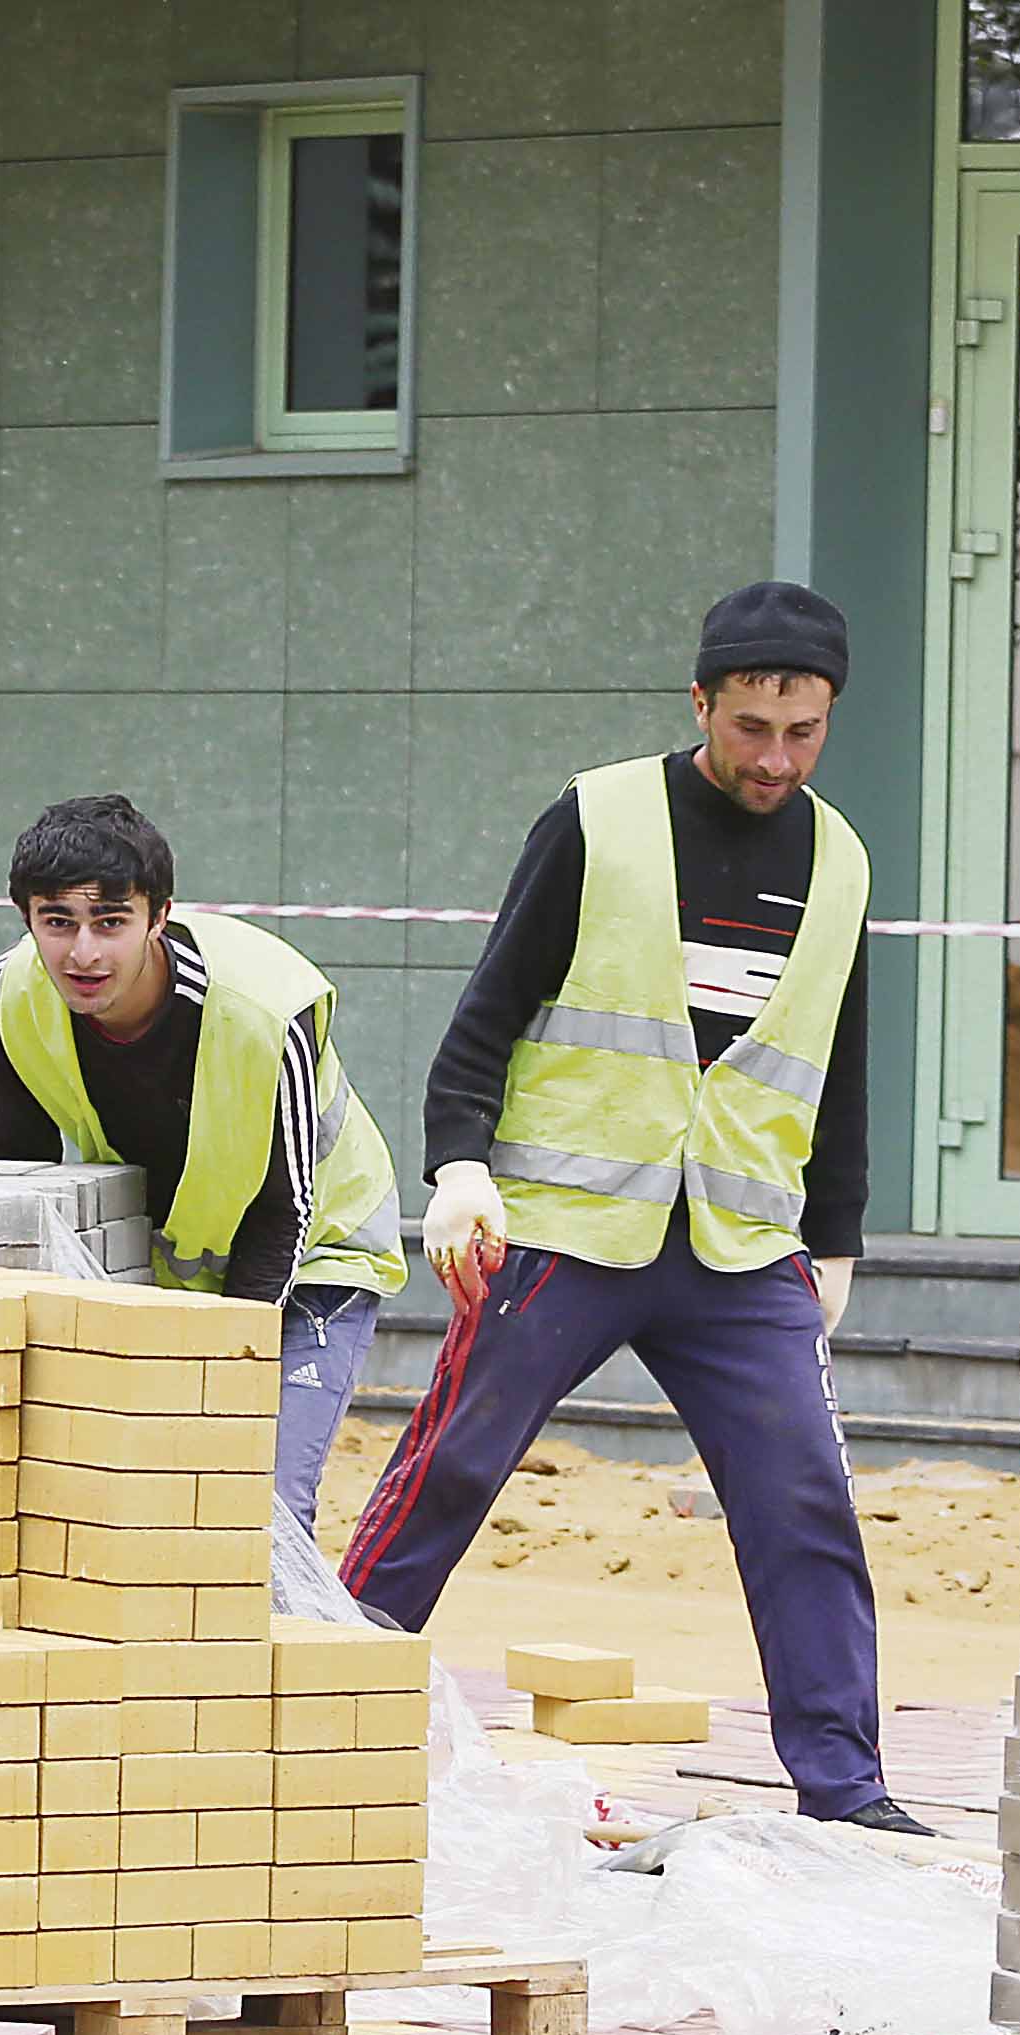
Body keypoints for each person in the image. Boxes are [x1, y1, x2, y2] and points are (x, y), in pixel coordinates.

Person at [333, 583, 926, 1834]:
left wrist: (837, 1238)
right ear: (701, 701)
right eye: (752, 725)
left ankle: (848, 1788)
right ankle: (320, 1721)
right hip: (563, 1226)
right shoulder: (597, 818)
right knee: (451, 1466)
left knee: (804, 1498)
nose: (774, 758)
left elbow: (841, 1059)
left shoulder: (842, 857)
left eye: (803, 732)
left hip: (739, 1245)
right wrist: (460, 1164)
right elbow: (488, 1014)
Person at [0, 793, 406, 1524]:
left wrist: (219, 1377)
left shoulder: (264, 1013)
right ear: (27, 920)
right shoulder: (6, 1002)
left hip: (313, 1259)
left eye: (111, 923)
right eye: (58, 923)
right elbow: (22, 1178)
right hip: (170, 1267)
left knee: (258, 1507)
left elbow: (282, 1210)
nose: (83, 953)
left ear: (159, 917)